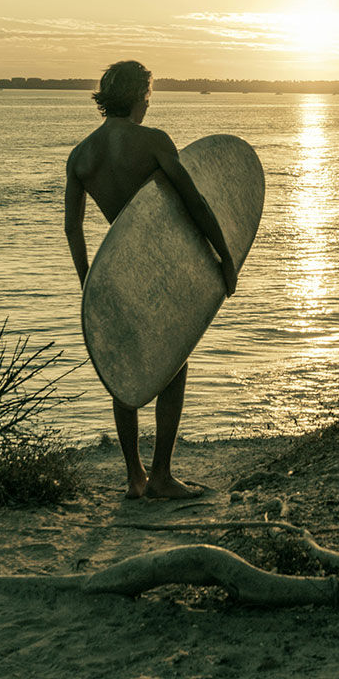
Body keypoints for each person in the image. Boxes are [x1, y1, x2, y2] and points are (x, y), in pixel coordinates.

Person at [65, 60, 237, 499]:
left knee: (123, 373)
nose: (148, 102)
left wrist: (88, 282)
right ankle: (161, 475)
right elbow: (194, 201)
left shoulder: (82, 155)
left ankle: (133, 477)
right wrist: (225, 256)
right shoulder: (154, 142)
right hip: (158, 270)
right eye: (148, 95)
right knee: (173, 365)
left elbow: (73, 227)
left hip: (114, 275)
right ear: (139, 96)